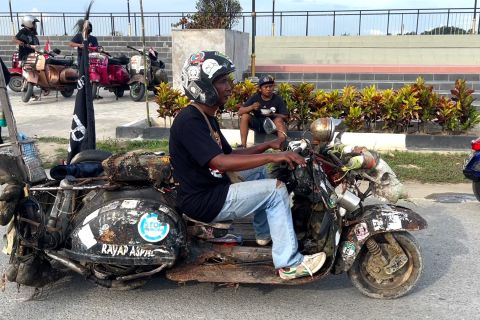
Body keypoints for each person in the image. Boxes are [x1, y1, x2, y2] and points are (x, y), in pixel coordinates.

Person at [169, 51, 326, 280]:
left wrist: (270, 146)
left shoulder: (204, 117)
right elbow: (220, 162)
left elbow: (230, 154)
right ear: (203, 85)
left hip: (213, 188)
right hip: (204, 200)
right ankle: (289, 263)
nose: (229, 87)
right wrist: (275, 157)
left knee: (259, 172)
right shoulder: (189, 121)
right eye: (223, 81)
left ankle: (264, 234)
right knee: (276, 190)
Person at [238, 75, 289, 148]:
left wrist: (273, 114)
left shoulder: (278, 99)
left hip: (272, 126)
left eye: (270, 86)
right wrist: (251, 107)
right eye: (266, 87)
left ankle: (282, 146)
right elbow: (240, 112)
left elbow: (285, 116)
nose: (268, 89)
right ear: (260, 89)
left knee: (279, 120)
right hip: (258, 124)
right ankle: (243, 145)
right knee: (245, 116)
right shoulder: (255, 97)